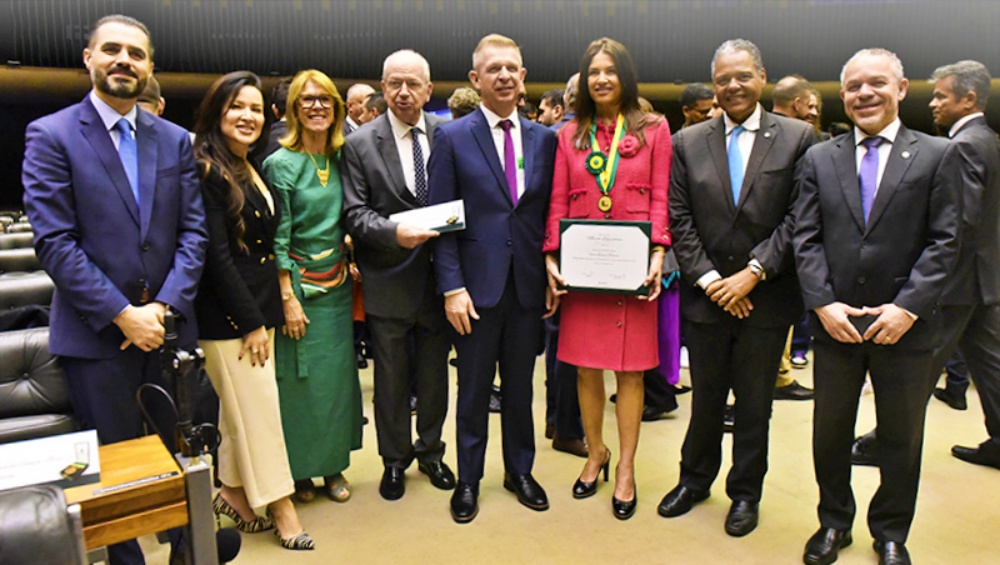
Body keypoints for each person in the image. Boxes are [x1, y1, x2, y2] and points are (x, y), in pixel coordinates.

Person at [21, 15, 207, 565]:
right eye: (112, 50)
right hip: (98, 338)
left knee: (181, 463)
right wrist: (124, 314)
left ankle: (187, 555)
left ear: (150, 66)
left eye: (136, 53)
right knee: (115, 475)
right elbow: (55, 242)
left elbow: (193, 231)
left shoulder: (174, 140)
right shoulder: (51, 134)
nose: (124, 60)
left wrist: (164, 307)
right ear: (89, 59)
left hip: (169, 333)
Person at [794, 48, 961, 565]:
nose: (864, 94)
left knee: (900, 434)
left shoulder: (936, 155)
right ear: (841, 94)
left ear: (902, 89)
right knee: (830, 431)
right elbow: (806, 237)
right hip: (835, 324)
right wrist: (822, 305)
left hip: (906, 328)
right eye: (853, 86)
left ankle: (891, 531)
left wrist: (906, 308)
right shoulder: (820, 157)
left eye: (877, 84)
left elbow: (947, 241)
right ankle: (832, 523)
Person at [660, 39, 813, 537]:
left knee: (753, 405)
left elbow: (799, 217)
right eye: (723, 78)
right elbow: (678, 217)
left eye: (742, 76)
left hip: (765, 298)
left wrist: (753, 273)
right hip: (706, 298)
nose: (732, 86)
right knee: (704, 400)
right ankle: (694, 479)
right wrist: (709, 280)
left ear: (762, 77)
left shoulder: (797, 138)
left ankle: (745, 493)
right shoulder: (688, 141)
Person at [428, 33, 558, 524]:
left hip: (527, 285)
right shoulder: (452, 136)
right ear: (475, 79)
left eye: (513, 68)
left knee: (523, 388)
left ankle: (519, 471)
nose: (504, 75)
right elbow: (443, 221)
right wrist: (452, 288)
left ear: (523, 77)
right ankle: (468, 480)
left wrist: (550, 267)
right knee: (475, 390)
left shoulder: (544, 139)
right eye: (494, 69)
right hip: (474, 290)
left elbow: (546, 213)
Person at [543, 37, 671, 520]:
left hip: (633, 268)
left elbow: (660, 196)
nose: (601, 79)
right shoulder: (567, 133)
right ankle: (596, 452)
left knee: (632, 370)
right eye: (593, 71)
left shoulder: (655, 129)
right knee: (584, 366)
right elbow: (558, 200)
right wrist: (551, 257)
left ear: (625, 76)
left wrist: (659, 249)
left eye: (610, 70)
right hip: (583, 269)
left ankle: (626, 468)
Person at [852, 59, 1000, 473]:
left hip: (955, 284)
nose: (932, 103)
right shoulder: (988, 138)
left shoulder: (964, 145)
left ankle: (886, 440)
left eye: (941, 95)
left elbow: (960, 219)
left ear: (968, 98)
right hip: (982, 279)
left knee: (915, 369)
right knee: (990, 364)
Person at [192, 70, 313, 551]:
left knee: (238, 413)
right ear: (216, 113)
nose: (247, 116)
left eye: (255, 109)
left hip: (257, 312)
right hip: (229, 320)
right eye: (235, 107)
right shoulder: (206, 170)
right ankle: (283, 508)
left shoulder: (247, 164)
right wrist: (251, 323)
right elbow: (217, 260)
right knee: (261, 414)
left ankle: (233, 493)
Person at [341, 49, 455, 501]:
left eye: (413, 84)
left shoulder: (448, 136)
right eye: (394, 84)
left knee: (434, 376)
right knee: (389, 380)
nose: (403, 92)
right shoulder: (360, 144)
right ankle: (394, 460)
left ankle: (431, 452)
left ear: (429, 90)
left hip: (440, 281)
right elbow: (354, 214)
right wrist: (394, 232)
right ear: (382, 88)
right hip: (388, 278)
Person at [262, 69, 364, 506]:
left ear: (336, 108)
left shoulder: (345, 156)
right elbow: (278, 237)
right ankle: (300, 471)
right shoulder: (278, 163)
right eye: (307, 100)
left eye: (325, 99)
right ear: (293, 110)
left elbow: (353, 215)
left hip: (338, 287)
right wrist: (286, 296)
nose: (317, 106)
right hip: (299, 291)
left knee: (337, 382)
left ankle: (333, 466)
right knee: (299, 385)